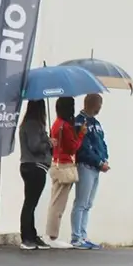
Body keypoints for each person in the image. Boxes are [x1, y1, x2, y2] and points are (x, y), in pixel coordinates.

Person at [71, 93, 108, 250]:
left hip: (96, 168)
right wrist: (98, 162)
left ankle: (83, 235)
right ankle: (76, 237)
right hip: (86, 166)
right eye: (99, 104)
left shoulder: (97, 123)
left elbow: (101, 143)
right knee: (80, 202)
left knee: (88, 204)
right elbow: (84, 147)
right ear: (93, 104)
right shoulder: (80, 122)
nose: (100, 107)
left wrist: (104, 158)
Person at [44, 97, 82, 248]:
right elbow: (72, 147)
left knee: (56, 200)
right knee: (58, 203)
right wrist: (81, 134)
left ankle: (51, 234)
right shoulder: (65, 126)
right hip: (65, 165)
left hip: (57, 163)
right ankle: (52, 236)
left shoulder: (56, 124)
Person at [17, 99, 52, 250]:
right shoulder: (33, 124)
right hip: (34, 166)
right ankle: (27, 237)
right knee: (30, 203)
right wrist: (49, 143)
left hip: (30, 165)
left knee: (31, 202)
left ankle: (31, 234)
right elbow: (35, 145)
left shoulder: (30, 123)